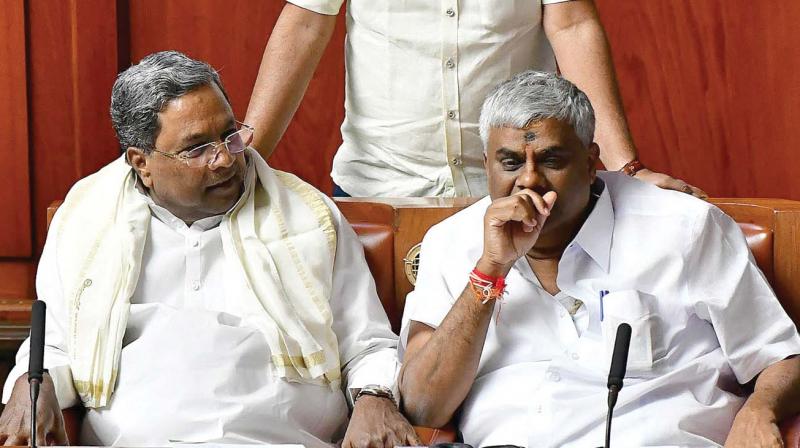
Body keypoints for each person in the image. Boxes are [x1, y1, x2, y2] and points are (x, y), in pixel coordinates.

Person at [0, 51, 418, 448]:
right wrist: (27, 384)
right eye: (197, 147)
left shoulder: (308, 215)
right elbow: (54, 345)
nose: (225, 159)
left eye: (230, 134)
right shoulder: (86, 219)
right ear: (141, 162)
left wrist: (374, 398)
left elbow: (367, 344)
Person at [398, 71, 800, 447]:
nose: (529, 179)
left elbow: (781, 355)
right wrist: (491, 268)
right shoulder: (452, 242)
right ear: (486, 164)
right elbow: (423, 406)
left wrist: (759, 410)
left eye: (552, 160)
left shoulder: (685, 227)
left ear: (592, 163)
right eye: (511, 162)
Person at [245, 0, 706, 198]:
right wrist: (242, 163)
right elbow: (305, 22)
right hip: (375, 186)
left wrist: (627, 168)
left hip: (518, 189)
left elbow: (571, 24)